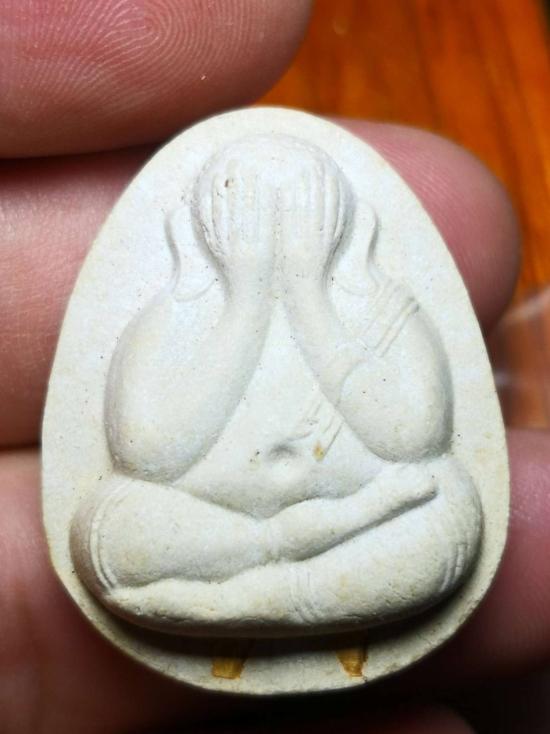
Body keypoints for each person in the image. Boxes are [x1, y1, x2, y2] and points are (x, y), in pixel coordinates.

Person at [0, 2, 545, 732]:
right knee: (109, 530)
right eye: (249, 211)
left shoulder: (379, 306)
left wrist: (312, 296)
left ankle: (245, 600)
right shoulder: (171, 316)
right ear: (202, 226)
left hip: (362, 513)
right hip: (220, 525)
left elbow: (414, 439)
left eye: (300, 209)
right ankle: (289, 567)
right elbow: (149, 454)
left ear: (342, 219)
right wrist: (250, 298)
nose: (277, 227)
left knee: (450, 510)